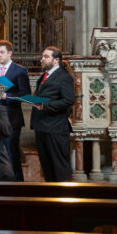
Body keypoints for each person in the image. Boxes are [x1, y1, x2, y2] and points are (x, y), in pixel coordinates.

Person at [0, 40, 30, 181]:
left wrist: (8, 96)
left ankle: (18, 186)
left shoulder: (20, 70)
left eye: (2, 52)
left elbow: (25, 94)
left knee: (12, 154)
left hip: (12, 118)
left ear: (10, 53)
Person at [31, 46, 75, 182]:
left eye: (46, 56)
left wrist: (45, 105)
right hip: (41, 126)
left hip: (55, 128)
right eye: (42, 56)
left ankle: (64, 198)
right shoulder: (45, 75)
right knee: (47, 166)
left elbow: (69, 100)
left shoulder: (64, 77)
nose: (42, 59)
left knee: (59, 167)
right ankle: (51, 196)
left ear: (56, 60)